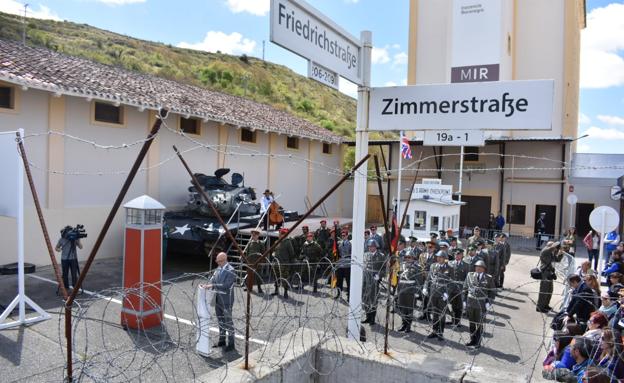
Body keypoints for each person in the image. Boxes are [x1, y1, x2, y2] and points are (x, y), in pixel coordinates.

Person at [202, 252, 236, 352]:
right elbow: (213, 279)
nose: (218, 263)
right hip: (217, 299)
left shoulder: (231, 270)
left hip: (226, 300)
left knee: (228, 322)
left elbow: (226, 285)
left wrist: (212, 286)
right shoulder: (218, 269)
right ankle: (222, 341)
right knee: (220, 320)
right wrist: (206, 285)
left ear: (224, 260)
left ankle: (231, 343)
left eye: (219, 261)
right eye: (217, 261)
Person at [462, 259, 496, 348]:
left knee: (479, 324)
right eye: (477, 267)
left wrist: (489, 303)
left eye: (480, 267)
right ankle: (472, 339)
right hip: (470, 303)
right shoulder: (470, 275)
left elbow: (492, 292)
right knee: (471, 323)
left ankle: (478, 341)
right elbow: (465, 288)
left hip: (481, 305)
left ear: (484, 269)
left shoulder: (488, 278)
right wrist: (464, 301)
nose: (478, 269)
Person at [424, 250, 452, 340]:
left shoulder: (450, 268)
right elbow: (428, 279)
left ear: (445, 259)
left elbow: (452, 283)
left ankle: (440, 332)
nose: (439, 259)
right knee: (434, 313)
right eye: (438, 257)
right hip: (433, 293)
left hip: (443, 295)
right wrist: (425, 288)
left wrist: (447, 293)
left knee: (442, 314)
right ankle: (434, 331)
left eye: (441, 257)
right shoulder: (433, 266)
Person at [361, 239, 386, 325]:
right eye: (369, 246)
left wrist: (380, 275)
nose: (371, 248)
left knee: (373, 299)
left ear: (376, 247)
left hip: (374, 280)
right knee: (366, 299)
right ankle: (368, 317)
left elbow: (384, 269)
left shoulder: (381, 256)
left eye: (372, 246)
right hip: (365, 279)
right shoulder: (365, 255)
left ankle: (372, 318)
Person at [536, 241, 565, 313]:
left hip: (549, 273)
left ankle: (546, 305)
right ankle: (540, 307)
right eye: (553, 247)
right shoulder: (545, 251)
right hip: (545, 273)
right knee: (544, 290)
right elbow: (551, 248)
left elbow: (557, 259)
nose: (554, 249)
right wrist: (557, 244)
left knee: (549, 290)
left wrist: (561, 253)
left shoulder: (550, 253)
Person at [396, 252, 419, 333]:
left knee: (409, 309)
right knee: (402, 308)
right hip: (402, 290)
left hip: (410, 291)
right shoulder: (402, 266)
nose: (408, 259)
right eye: (406, 257)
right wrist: (397, 291)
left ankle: (408, 326)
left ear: (413, 258)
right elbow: (399, 279)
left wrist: (417, 292)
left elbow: (419, 280)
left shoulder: (416, 267)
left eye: (409, 257)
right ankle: (404, 324)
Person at [55, 226, 84, 290]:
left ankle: (75, 287)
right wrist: (58, 249)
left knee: (74, 274)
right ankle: (66, 287)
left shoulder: (74, 238)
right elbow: (56, 248)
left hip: (73, 258)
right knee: (65, 274)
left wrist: (78, 240)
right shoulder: (61, 239)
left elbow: (81, 247)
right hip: (64, 259)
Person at [448, 248, 469, 328]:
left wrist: (465, 289)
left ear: (462, 255)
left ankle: (458, 321)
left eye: (459, 254)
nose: (457, 256)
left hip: (460, 288)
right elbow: (448, 275)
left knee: (459, 306)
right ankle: (453, 320)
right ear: (454, 255)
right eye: (456, 254)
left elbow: (467, 278)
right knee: (452, 305)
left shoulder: (466, 265)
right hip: (452, 288)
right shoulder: (450, 263)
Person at [272, 228, 294, 299]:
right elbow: (274, 250)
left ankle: (285, 292)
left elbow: (291, 253)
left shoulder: (288, 242)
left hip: (284, 263)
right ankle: (276, 290)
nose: (280, 235)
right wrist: (273, 253)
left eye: (281, 234)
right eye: (280, 233)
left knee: (284, 278)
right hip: (276, 262)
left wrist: (290, 263)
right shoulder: (277, 242)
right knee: (276, 277)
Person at [244, 229, 265, 293]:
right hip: (250, 262)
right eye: (252, 235)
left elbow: (263, 253)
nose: (253, 236)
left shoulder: (260, 243)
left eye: (255, 235)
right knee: (249, 275)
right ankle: (249, 287)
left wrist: (262, 261)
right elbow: (247, 252)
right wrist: (246, 259)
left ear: (258, 235)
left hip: (257, 262)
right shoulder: (250, 243)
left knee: (258, 275)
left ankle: (259, 287)